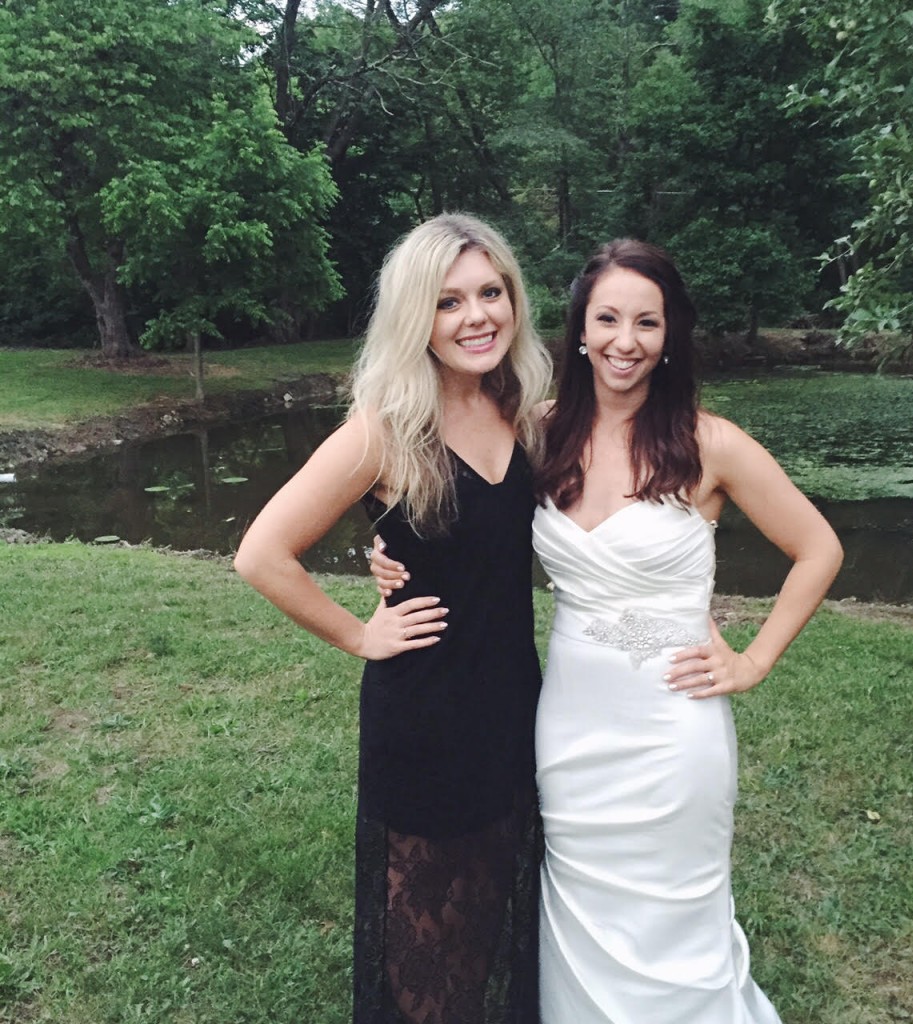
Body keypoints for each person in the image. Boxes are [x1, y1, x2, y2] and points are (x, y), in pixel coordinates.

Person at [372, 238, 844, 1023]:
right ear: (581, 332)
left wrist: (755, 659)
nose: (627, 341)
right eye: (608, 319)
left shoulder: (710, 443)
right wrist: (392, 553)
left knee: (675, 913)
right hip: (570, 722)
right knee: (579, 905)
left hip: (673, 725)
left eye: (647, 323)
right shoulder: (538, 431)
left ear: (670, 335)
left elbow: (818, 548)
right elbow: (459, 508)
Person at [234, 212, 552, 1024]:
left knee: (490, 917)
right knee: (426, 955)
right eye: (448, 302)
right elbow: (262, 554)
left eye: (491, 293)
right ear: (417, 318)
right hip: (425, 718)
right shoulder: (386, 430)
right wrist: (359, 633)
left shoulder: (522, 412)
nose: (476, 316)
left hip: (513, 707)